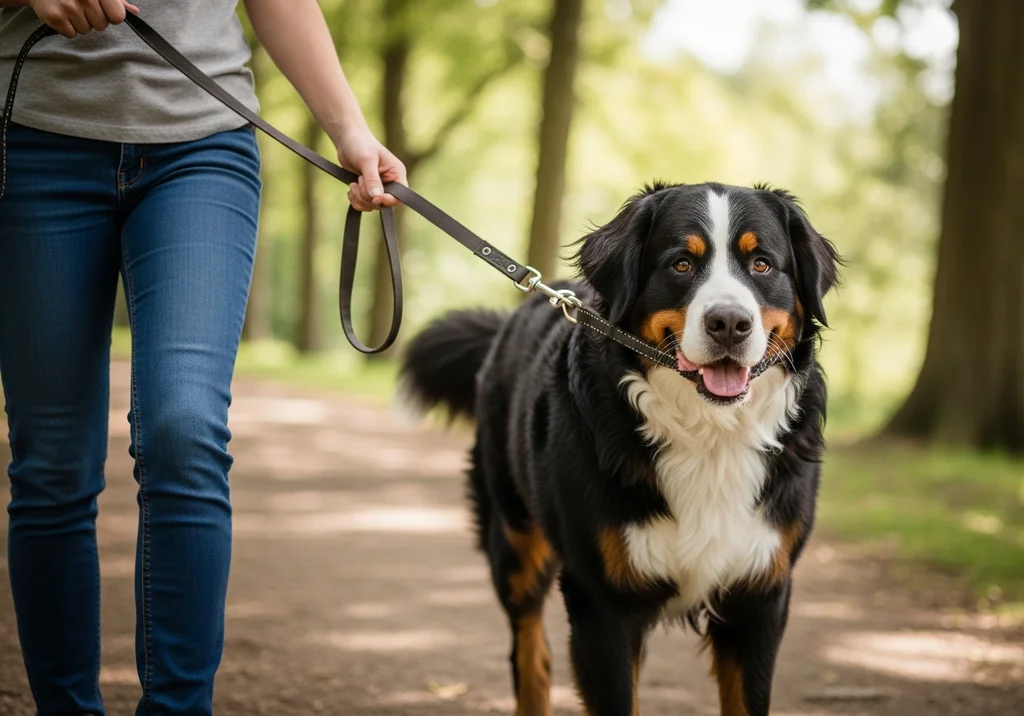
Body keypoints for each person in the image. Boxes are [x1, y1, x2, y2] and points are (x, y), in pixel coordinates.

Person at [0, 0, 407, 714]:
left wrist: (349, 128)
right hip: (32, 140)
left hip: (201, 144)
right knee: (53, 462)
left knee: (183, 427)